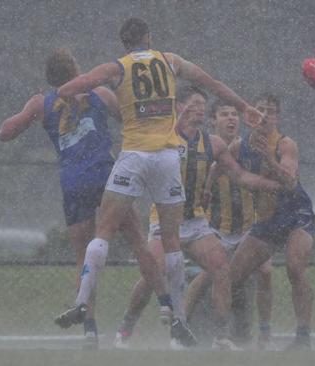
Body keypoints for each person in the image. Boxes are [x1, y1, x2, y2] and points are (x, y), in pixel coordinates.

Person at [54, 18, 265, 341]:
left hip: (134, 155)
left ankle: (82, 302)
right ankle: (179, 317)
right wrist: (243, 106)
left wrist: (73, 98)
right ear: (148, 38)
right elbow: (211, 83)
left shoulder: (117, 67)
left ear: (124, 43)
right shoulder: (170, 61)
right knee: (171, 242)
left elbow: (69, 88)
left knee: (103, 233)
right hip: (167, 157)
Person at [0, 48, 165, 348]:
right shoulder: (99, 92)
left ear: (51, 78)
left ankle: (89, 328)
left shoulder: (42, 102)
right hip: (105, 173)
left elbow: (4, 132)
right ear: (77, 69)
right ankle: (170, 307)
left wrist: (31, 113)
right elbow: (129, 121)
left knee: (83, 255)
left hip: (73, 182)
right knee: (138, 239)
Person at [113, 86, 280, 350]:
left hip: (196, 223)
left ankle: (220, 336)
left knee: (221, 269)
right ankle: (125, 330)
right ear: (179, 106)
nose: (200, 108)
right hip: (166, 221)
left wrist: (270, 185)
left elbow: (238, 175)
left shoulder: (212, 143)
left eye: (203, 103)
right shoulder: (164, 138)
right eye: (194, 103)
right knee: (153, 273)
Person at [183, 98, 275, 350]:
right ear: (213, 120)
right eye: (224, 114)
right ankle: (180, 325)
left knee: (265, 271)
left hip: (247, 227)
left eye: (234, 114)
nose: (231, 118)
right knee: (205, 277)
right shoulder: (205, 145)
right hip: (217, 229)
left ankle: (265, 334)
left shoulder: (245, 147)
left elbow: (255, 175)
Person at [227, 93, 315, 351]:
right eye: (259, 110)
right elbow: (220, 166)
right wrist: (208, 186)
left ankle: (303, 338)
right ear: (251, 116)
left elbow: (289, 181)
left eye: (270, 111)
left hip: (296, 215)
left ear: (277, 117)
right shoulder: (238, 146)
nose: (264, 115)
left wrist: (268, 158)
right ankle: (233, 334)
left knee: (295, 268)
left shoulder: (285, 144)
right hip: (267, 220)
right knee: (233, 276)